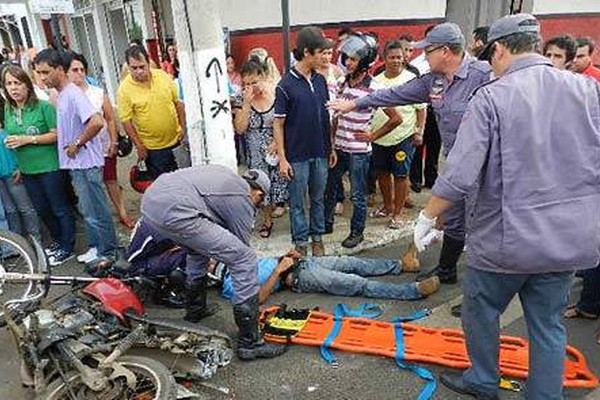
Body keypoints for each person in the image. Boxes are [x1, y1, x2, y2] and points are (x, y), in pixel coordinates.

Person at [412, 14, 600, 400]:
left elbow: (460, 172)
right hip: (566, 241)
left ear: (498, 49)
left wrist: (429, 214)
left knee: (480, 312)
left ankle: (483, 380)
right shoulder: (586, 90)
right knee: (547, 325)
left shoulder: (492, 97)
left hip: (505, 241)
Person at [329, 22, 492, 286]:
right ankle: (447, 270)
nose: (419, 56)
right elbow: (393, 95)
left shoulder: (484, 74)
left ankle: (480, 294)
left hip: (487, 167)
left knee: (482, 227)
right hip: (457, 163)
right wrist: (356, 103)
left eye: (427, 50)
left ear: (446, 51)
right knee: (455, 217)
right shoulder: (434, 80)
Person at [140, 165, 286, 361]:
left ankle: (195, 311)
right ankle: (250, 343)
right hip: (177, 209)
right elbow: (240, 249)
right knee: (244, 259)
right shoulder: (243, 197)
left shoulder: (226, 178)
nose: (257, 206)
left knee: (196, 249)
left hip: (152, 204)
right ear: (258, 192)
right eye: (260, 201)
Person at [34, 49, 118, 265]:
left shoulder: (72, 93)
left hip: (87, 164)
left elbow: (97, 122)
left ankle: (108, 252)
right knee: (88, 211)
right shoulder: (62, 94)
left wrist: (77, 143)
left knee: (96, 211)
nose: (42, 78)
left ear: (60, 70)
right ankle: (97, 247)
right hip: (78, 164)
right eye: (39, 73)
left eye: (46, 72)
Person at [324, 33, 401, 248]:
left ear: (364, 62)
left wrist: (372, 136)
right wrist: (331, 145)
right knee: (331, 189)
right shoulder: (341, 83)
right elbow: (336, 118)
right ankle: (326, 224)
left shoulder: (374, 88)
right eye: (346, 58)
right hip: (338, 148)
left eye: (353, 59)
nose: (348, 62)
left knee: (358, 195)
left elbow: (396, 118)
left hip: (358, 152)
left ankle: (357, 232)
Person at [2, 64, 75, 262]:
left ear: (27, 85)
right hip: (27, 169)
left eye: (18, 83)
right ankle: (59, 241)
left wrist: (29, 139)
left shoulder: (43, 107)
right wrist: (17, 165)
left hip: (50, 166)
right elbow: (13, 138)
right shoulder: (9, 110)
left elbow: (57, 134)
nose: (14, 88)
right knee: (42, 209)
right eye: (9, 84)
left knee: (59, 207)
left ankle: (68, 247)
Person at [274, 27, 333, 257]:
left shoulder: (320, 81)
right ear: (307, 52)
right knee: (298, 203)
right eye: (321, 52)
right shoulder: (285, 85)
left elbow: (325, 116)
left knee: (318, 199)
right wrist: (282, 159)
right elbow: (278, 124)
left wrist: (331, 147)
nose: (325, 57)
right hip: (296, 156)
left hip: (320, 152)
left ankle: (317, 238)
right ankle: (300, 242)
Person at [67, 53, 135, 239]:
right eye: (74, 70)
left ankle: (122, 212)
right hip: (82, 152)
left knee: (111, 180)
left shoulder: (97, 93)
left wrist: (113, 141)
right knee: (92, 187)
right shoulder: (65, 96)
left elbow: (110, 118)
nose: (79, 73)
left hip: (104, 145)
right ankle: (101, 223)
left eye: (82, 69)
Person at [221, 248, 438, 303]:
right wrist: (279, 271)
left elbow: (267, 266)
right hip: (296, 278)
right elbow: (258, 298)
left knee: (351, 262)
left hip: (301, 263)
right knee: (355, 283)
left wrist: (285, 257)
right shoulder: (229, 284)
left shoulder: (237, 261)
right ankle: (411, 291)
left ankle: (401, 265)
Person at [370, 40, 426, 229]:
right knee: (382, 174)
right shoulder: (376, 79)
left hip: (404, 137)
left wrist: (419, 131)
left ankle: (398, 213)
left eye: (399, 58)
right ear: (384, 59)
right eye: (392, 57)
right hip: (378, 137)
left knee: (401, 175)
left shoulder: (412, 79)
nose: (396, 61)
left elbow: (421, 110)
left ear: (404, 59)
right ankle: (387, 206)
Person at [233, 58, 288, 238]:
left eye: (254, 82)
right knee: (259, 186)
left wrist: (277, 142)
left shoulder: (276, 93)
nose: (251, 87)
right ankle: (266, 220)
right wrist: (247, 104)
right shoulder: (241, 99)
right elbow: (240, 128)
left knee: (279, 183)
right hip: (255, 149)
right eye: (246, 84)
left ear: (263, 77)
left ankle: (279, 208)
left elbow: (285, 122)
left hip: (275, 146)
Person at [118, 45, 185, 179]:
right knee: (164, 188)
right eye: (134, 68)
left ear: (149, 63)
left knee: (183, 181)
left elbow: (178, 104)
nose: (138, 71)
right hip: (153, 149)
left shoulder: (163, 76)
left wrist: (182, 127)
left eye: (142, 67)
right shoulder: (124, 89)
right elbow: (126, 121)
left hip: (176, 142)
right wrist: (139, 145)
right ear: (128, 67)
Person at [0, 85, 40, 241]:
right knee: (9, 211)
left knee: (25, 208)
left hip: (13, 171)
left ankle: (36, 241)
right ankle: (16, 244)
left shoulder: (9, 125)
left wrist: (19, 166)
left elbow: (19, 146)